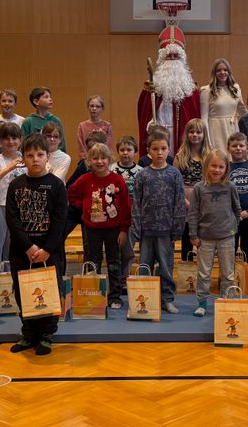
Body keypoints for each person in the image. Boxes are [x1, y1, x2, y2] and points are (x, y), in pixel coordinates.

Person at [6, 134, 68, 356]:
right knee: (23, 292)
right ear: (23, 158)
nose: (35, 159)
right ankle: (29, 333)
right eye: (30, 155)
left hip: (49, 251)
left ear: (47, 157)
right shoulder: (16, 185)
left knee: (49, 292)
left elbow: (60, 221)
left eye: (40, 154)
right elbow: (12, 219)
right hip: (21, 250)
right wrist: (28, 247)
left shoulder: (57, 185)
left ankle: (47, 334)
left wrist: (47, 249)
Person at [68, 143, 131, 310]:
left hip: (114, 229)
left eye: (103, 158)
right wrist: (82, 206)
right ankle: (94, 294)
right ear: (89, 161)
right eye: (95, 158)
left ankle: (115, 296)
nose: (99, 161)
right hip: (92, 229)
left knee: (114, 263)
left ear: (109, 159)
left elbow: (126, 206)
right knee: (93, 262)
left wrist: (124, 230)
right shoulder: (84, 179)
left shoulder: (118, 180)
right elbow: (71, 193)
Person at [132, 131, 186, 314]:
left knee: (165, 267)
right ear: (148, 151)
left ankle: (167, 299)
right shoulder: (142, 175)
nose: (160, 152)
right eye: (155, 149)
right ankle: (144, 300)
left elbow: (179, 202)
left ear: (169, 149)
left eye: (163, 148)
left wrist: (177, 228)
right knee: (144, 267)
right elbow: (136, 203)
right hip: (146, 230)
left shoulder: (174, 174)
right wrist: (136, 227)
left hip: (166, 230)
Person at [189, 149, 241, 316]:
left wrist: (233, 227)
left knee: (228, 273)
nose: (217, 170)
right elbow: (193, 213)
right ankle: (202, 303)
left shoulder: (230, 187)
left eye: (221, 167)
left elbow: (237, 209)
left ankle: (226, 301)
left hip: (227, 237)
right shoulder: (199, 188)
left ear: (226, 168)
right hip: (205, 238)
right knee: (204, 273)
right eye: (213, 166)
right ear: (206, 166)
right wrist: (193, 235)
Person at [137, 25, 201, 156]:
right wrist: (150, 123)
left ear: (182, 59)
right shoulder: (151, 87)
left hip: (180, 137)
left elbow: (194, 118)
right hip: (158, 135)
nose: (172, 59)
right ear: (162, 59)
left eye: (175, 56)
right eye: (168, 56)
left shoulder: (190, 89)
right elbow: (143, 115)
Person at [0, 122, 26, 283]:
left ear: (20, 140)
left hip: (19, 209)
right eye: (6, 138)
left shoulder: (25, 158)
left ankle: (9, 288)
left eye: (14, 138)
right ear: (0, 140)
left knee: (12, 249)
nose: (11, 142)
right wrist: (8, 168)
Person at [228, 131, 248, 292]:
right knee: (229, 251)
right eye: (234, 146)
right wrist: (232, 213)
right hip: (230, 219)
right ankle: (228, 284)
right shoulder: (226, 167)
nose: (238, 148)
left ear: (247, 148)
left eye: (241, 145)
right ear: (229, 148)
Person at [111, 135, 142, 292]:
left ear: (135, 152)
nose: (125, 153)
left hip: (132, 217)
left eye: (129, 149)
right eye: (122, 150)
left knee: (128, 250)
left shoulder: (141, 172)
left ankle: (125, 278)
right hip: (114, 216)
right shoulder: (111, 169)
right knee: (115, 250)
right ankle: (114, 279)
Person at [174, 118, 207, 261]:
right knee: (187, 237)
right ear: (186, 134)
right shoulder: (180, 156)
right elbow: (175, 183)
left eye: (198, 132)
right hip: (184, 198)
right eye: (191, 132)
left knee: (203, 238)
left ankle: (203, 269)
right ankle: (186, 268)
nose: (195, 135)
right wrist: (185, 201)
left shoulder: (208, 155)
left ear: (204, 134)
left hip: (203, 197)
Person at [200, 58, 246, 150]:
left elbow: (243, 111)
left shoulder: (235, 88)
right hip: (216, 131)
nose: (222, 72)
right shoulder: (207, 91)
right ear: (214, 73)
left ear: (229, 72)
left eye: (225, 70)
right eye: (219, 70)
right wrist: (207, 140)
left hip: (233, 129)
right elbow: (204, 118)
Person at [21, 87, 66, 153]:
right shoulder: (28, 122)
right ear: (36, 101)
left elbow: (62, 144)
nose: (50, 99)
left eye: (50, 97)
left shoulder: (56, 120)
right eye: (46, 97)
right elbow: (24, 145)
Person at [76, 95, 113, 160]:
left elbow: (108, 147)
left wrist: (100, 159)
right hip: (86, 160)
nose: (94, 108)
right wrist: (88, 160)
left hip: (102, 160)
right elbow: (81, 148)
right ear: (88, 107)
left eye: (97, 106)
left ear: (102, 108)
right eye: (92, 106)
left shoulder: (107, 126)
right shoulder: (82, 126)